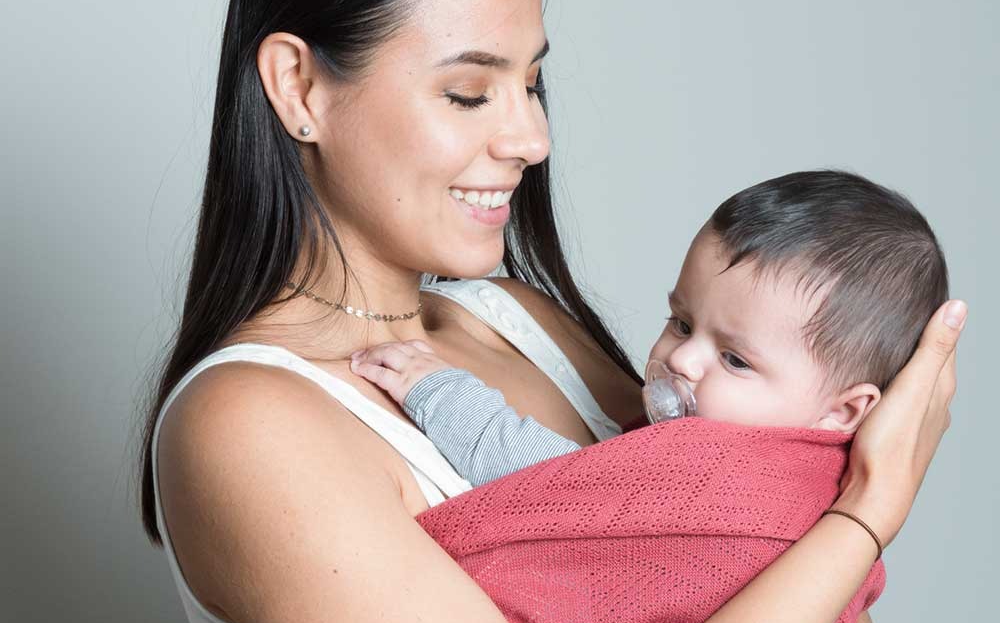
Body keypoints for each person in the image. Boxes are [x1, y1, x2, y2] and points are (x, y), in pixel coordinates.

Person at [139, 0, 964, 623]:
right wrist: (863, 519)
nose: (530, 137)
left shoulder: (524, 322)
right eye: (469, 93)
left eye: (534, 84)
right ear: (299, 87)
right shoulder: (250, 426)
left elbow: (797, 599)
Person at [352, 169, 949, 482]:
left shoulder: (736, 484)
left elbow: (565, 484)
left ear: (842, 414)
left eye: (736, 360)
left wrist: (442, 393)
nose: (683, 361)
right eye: (682, 323)